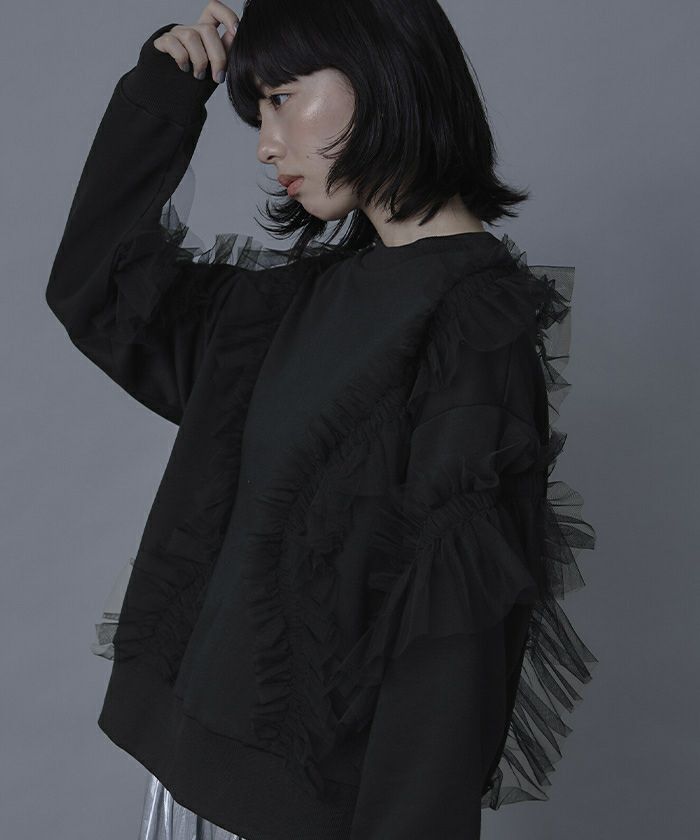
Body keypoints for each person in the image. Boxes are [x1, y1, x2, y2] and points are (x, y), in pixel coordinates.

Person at [47, 1, 597, 838]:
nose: (266, 146)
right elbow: (100, 295)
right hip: (182, 787)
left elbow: (453, 660)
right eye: (257, 111)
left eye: (282, 99)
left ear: (381, 73)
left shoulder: (468, 325)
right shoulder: (289, 307)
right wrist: (164, 90)